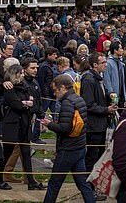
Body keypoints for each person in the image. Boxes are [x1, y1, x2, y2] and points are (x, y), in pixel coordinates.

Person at [41, 74, 96, 203]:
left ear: (63, 88)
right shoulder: (79, 99)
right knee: (83, 184)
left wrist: (49, 124)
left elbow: (65, 128)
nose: (55, 94)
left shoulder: (67, 103)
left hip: (68, 149)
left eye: (56, 90)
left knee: (54, 184)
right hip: (80, 147)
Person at [0, 63, 44, 190]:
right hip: (12, 124)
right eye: (21, 73)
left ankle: (30, 180)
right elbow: (16, 104)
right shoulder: (9, 87)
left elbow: (32, 103)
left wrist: (26, 104)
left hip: (24, 123)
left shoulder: (25, 87)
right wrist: (25, 104)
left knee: (26, 153)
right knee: (7, 153)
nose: (23, 76)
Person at [80, 52, 113, 173]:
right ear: (95, 64)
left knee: (99, 155)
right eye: (103, 62)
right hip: (93, 126)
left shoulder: (99, 77)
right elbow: (88, 104)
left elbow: (100, 96)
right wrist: (106, 110)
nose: (106, 65)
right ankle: (89, 186)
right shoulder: (89, 80)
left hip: (101, 124)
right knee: (92, 157)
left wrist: (109, 96)